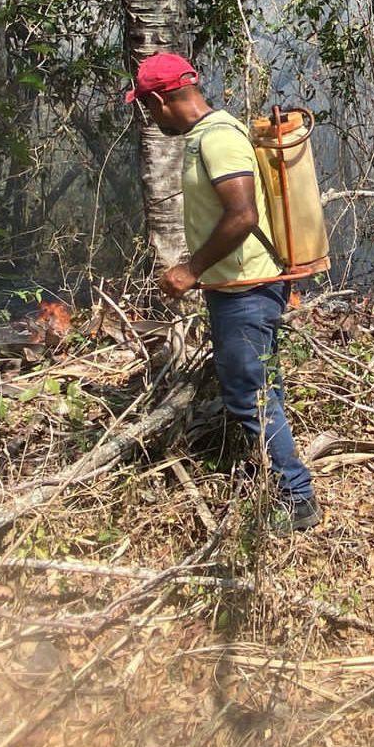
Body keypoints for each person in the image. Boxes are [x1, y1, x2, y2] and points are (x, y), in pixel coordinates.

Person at [125, 52, 321, 532]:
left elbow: (243, 215)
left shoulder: (217, 138)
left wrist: (189, 270)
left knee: (249, 395)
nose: (150, 117)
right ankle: (280, 484)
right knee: (256, 389)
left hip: (246, 290)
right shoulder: (206, 138)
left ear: (161, 98)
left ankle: (296, 498)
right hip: (238, 287)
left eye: (148, 107)